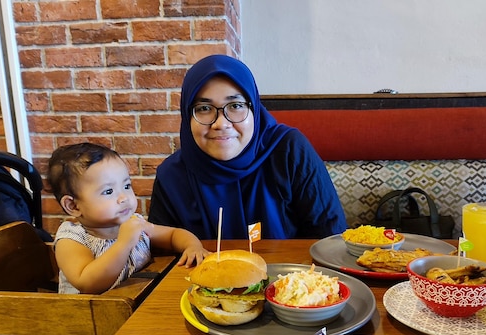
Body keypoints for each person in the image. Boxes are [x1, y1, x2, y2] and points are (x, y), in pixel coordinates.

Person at [148, 54, 347, 239]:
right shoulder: (171, 176)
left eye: (235, 106)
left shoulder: (288, 151)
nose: (221, 124)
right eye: (204, 109)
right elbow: (161, 258)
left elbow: (330, 238)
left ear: (254, 109)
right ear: (186, 115)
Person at [47, 142, 209, 335]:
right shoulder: (72, 239)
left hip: (136, 326)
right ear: (73, 206)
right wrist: (124, 243)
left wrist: (192, 246)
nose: (123, 198)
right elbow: (88, 283)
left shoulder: (134, 223)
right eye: (108, 191)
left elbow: (172, 234)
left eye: (126, 186)